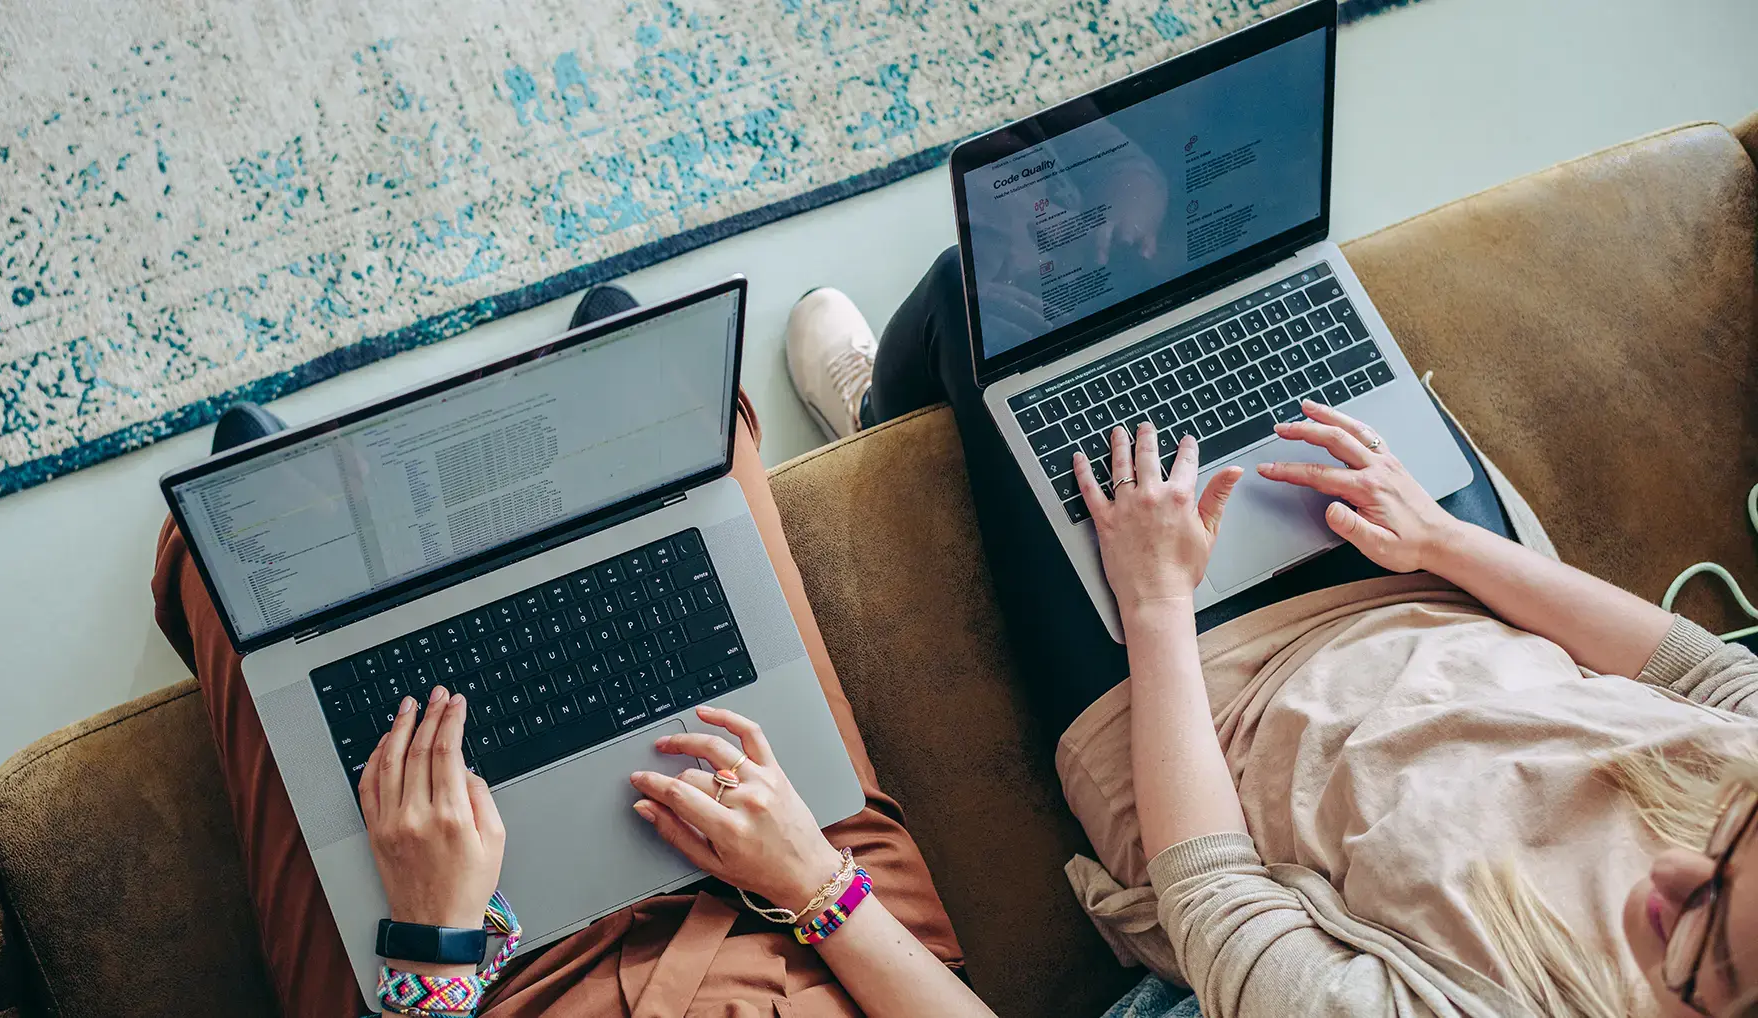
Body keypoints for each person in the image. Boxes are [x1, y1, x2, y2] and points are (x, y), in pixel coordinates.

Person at [786, 252, 1758, 1017]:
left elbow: (1212, 894)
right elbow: (1696, 673)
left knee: (976, 298)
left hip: (1211, 715)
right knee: (1268, 283)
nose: (1674, 870)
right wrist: (1442, 537)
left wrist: (1156, 601)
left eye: (1700, 948)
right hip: (1448, 590)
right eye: (1724, 847)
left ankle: (878, 413)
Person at [154, 284, 995, 1017]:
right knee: (694, 441)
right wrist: (815, 879)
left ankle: (288, 518)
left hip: (502, 984)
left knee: (229, 580)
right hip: (810, 943)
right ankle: (613, 383)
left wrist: (431, 945)